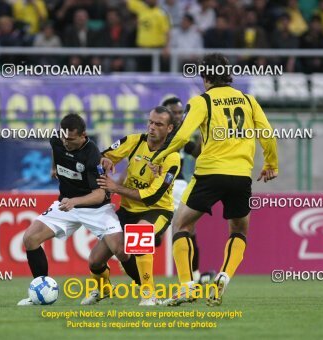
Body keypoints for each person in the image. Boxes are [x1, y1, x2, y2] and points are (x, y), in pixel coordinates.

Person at [149, 54, 278, 306]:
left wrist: (159, 156)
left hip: (209, 173)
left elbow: (182, 137)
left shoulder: (201, 101)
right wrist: (271, 163)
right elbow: (268, 135)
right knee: (239, 230)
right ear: (228, 75)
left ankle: (187, 285)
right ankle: (224, 276)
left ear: (205, 77)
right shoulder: (248, 101)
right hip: (241, 175)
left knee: (182, 225)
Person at [17, 114, 139, 306]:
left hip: (97, 208)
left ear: (83, 136)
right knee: (30, 239)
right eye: (64, 137)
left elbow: (99, 194)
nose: (66, 142)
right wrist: (54, 167)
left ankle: (147, 290)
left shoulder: (92, 155)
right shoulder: (58, 139)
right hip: (66, 205)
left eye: (71, 139)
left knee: (121, 250)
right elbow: (56, 149)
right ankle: (41, 291)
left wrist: (75, 201)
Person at [83, 106, 181, 306]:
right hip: (127, 210)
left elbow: (152, 197)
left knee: (140, 233)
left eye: (158, 124)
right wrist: (105, 164)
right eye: (150, 122)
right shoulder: (134, 141)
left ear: (170, 128)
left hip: (157, 210)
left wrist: (116, 188)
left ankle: (149, 294)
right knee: (95, 260)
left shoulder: (171, 157)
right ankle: (103, 289)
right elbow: (102, 156)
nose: (152, 127)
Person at [161, 97, 201, 280]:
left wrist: (204, 133)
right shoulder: (156, 136)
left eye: (180, 112)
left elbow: (198, 153)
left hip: (180, 186)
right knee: (153, 236)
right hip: (158, 188)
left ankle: (194, 274)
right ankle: (140, 275)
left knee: (188, 229)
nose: (178, 116)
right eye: (174, 112)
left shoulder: (182, 136)